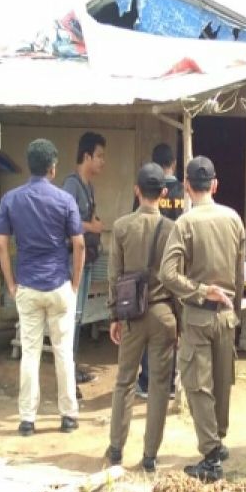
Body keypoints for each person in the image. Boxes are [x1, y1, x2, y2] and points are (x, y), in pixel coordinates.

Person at [160, 156, 245, 483]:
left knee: (198, 385)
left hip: (198, 317)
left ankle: (210, 456)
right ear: (215, 185)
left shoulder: (185, 223)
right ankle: (218, 441)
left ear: (186, 186)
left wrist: (197, 290)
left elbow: (168, 274)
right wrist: (233, 307)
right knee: (223, 382)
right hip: (226, 314)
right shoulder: (234, 218)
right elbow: (239, 271)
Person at [0, 139, 84, 436]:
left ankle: (27, 420)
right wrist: (75, 282)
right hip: (59, 285)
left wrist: (11, 283)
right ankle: (69, 415)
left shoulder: (10, 199)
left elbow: (1, 244)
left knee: (30, 353)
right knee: (63, 352)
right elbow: (79, 243)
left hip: (28, 287)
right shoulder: (65, 200)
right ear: (52, 167)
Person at [106, 163, 178, 472]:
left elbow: (114, 276)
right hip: (164, 313)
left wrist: (114, 316)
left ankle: (117, 448)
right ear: (163, 193)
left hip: (132, 314)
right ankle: (150, 455)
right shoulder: (174, 229)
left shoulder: (122, 227)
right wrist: (180, 319)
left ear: (137, 190)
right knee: (160, 386)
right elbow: (178, 279)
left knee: (124, 380)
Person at [133, 143, 183, 400]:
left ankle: (145, 380)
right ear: (173, 162)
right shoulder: (184, 191)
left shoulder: (144, 189)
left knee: (144, 315)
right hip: (175, 264)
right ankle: (171, 382)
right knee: (171, 323)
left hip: (147, 265)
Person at [61, 132, 106, 386]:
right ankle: (67, 371)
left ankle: (72, 366)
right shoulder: (71, 185)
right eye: (99, 156)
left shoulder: (89, 186)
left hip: (86, 258)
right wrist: (93, 226)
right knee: (71, 315)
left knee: (78, 315)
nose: (102, 162)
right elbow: (67, 222)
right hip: (71, 259)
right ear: (86, 156)